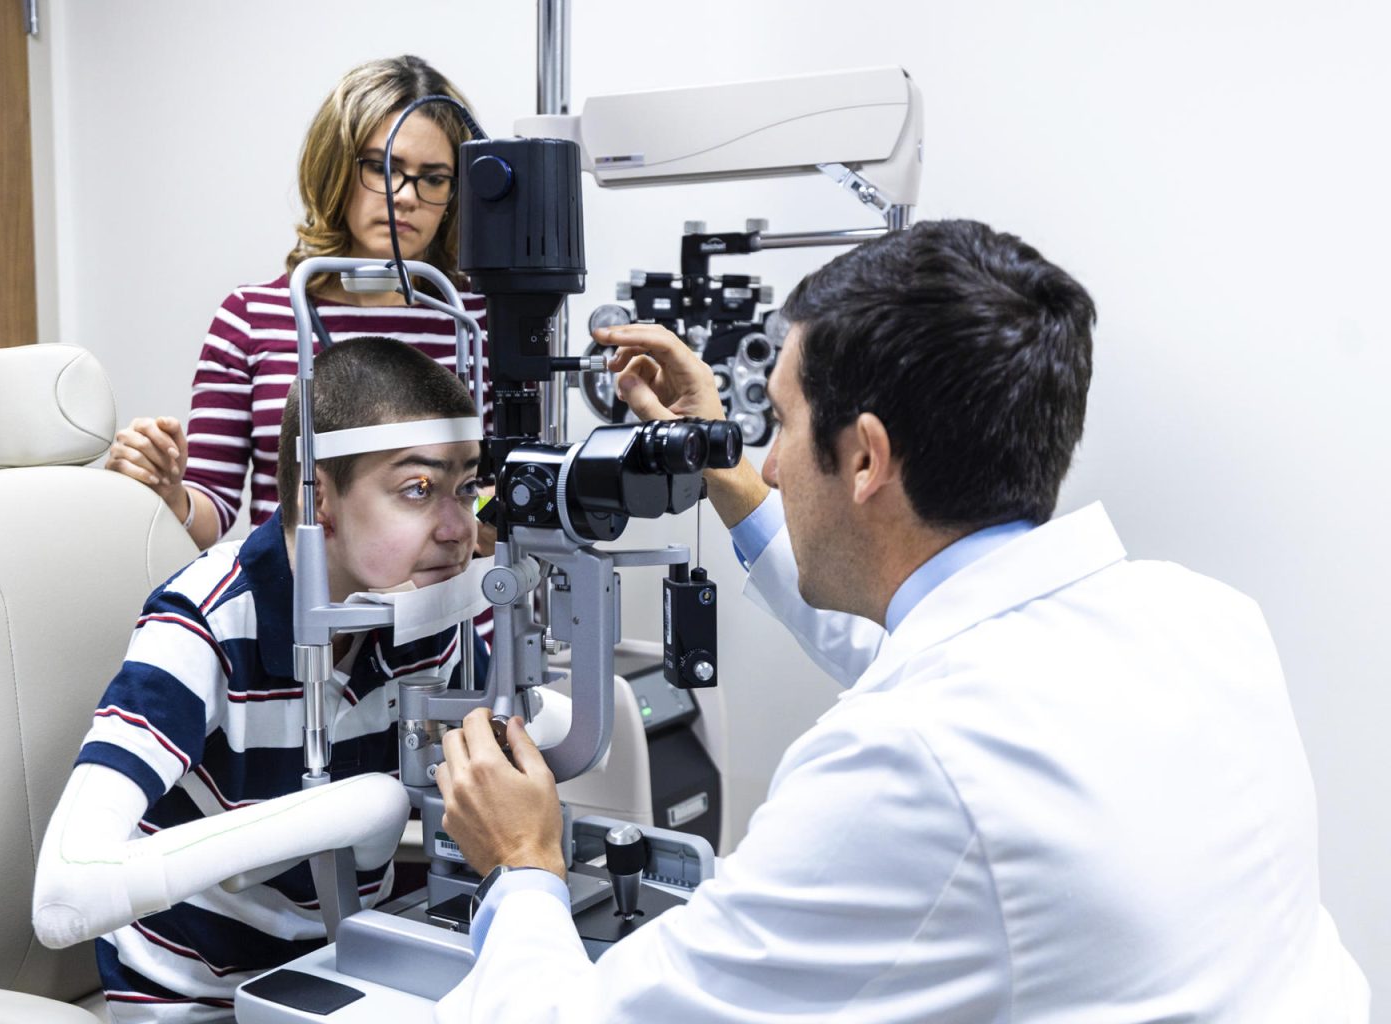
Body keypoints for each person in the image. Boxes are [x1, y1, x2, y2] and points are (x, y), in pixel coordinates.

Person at [430, 220, 1371, 1022]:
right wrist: (724, 474)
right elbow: (915, 646)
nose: (775, 463)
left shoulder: (907, 767)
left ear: (867, 458)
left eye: (784, 422)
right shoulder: (1196, 615)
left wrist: (523, 866)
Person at [33, 338, 486, 1022]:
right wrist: (349, 810)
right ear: (321, 494)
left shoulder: (420, 606)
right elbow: (65, 890)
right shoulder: (204, 626)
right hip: (197, 999)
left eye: (466, 489)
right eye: (418, 490)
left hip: (343, 970)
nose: (459, 529)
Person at [105, 54, 487, 552]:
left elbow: (505, 499)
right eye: (380, 167)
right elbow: (210, 514)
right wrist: (166, 489)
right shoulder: (250, 319)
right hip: (301, 620)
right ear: (335, 168)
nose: (404, 196)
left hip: (448, 623)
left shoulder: (474, 321)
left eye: (433, 177)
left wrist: (454, 506)